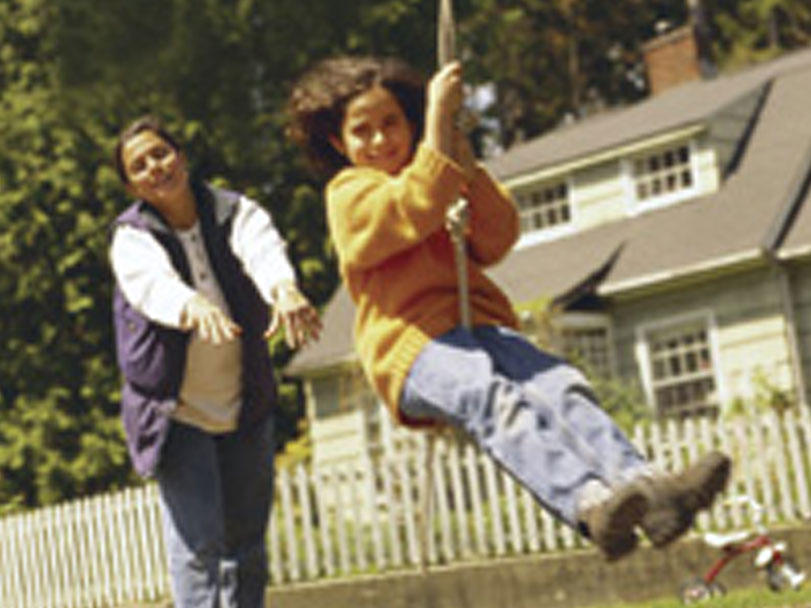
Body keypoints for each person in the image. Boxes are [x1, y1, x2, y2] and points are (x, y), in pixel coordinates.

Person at [286, 56, 731, 562]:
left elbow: (497, 237)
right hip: (411, 347)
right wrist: (438, 126)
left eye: (392, 123)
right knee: (492, 397)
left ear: (408, 124)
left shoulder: (439, 172)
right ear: (339, 145)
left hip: (478, 329)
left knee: (559, 387)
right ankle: (591, 506)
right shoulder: (350, 193)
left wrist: (466, 163)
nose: (381, 139)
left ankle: (652, 494)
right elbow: (413, 205)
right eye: (362, 132)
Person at [109, 114, 321, 608]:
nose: (155, 167)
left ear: (180, 155)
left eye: (161, 154)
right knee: (199, 548)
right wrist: (191, 306)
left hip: (242, 403)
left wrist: (284, 289)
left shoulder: (232, 211)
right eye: (140, 166)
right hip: (177, 412)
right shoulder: (131, 237)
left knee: (247, 545)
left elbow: (263, 248)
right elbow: (150, 285)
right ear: (131, 185)